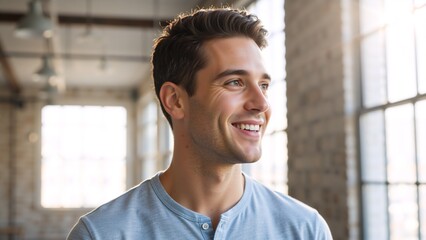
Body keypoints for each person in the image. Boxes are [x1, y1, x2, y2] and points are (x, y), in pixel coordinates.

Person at [68, 7, 333, 239]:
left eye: (263, 85)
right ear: (175, 100)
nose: (261, 104)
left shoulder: (305, 229)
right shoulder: (101, 234)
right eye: (235, 82)